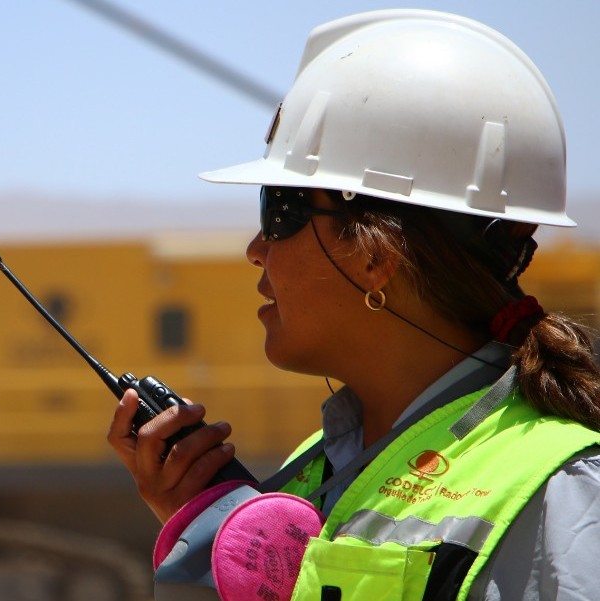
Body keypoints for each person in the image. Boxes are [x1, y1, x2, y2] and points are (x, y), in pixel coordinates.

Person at [107, 9, 600, 601]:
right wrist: (209, 530)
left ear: (376, 254)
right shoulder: (318, 465)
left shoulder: (561, 496)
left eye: (281, 209)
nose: (255, 250)